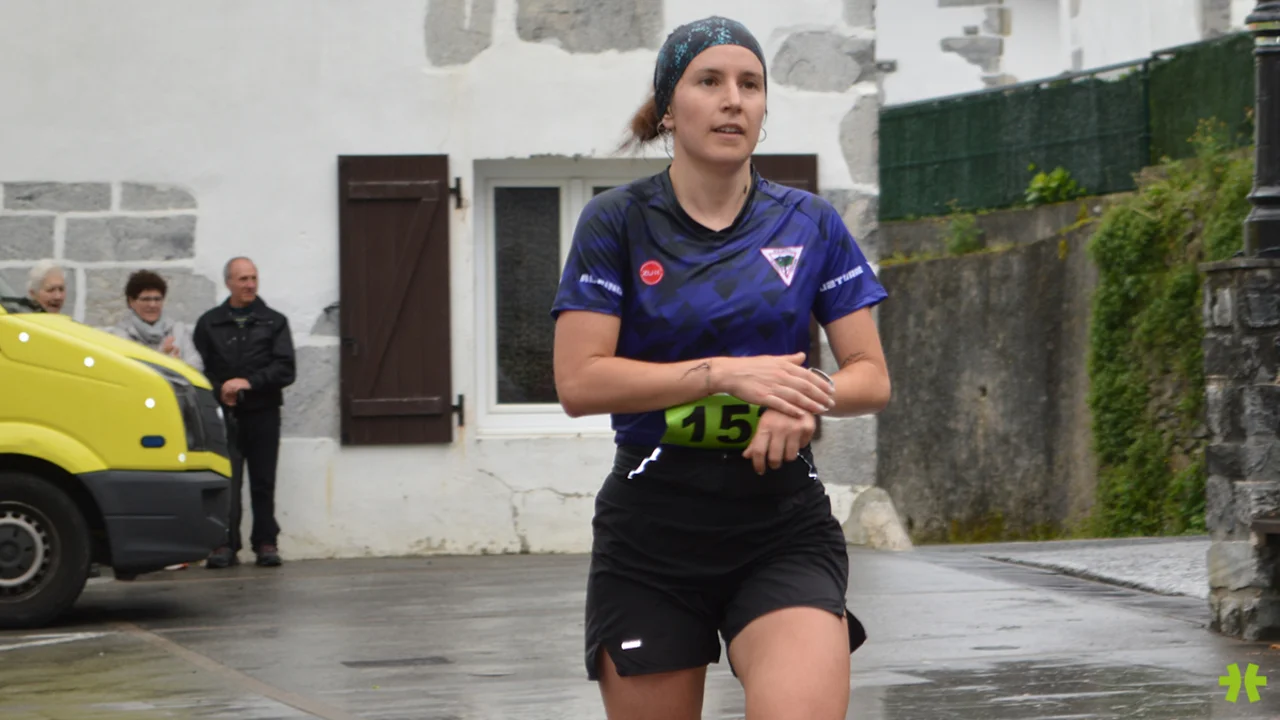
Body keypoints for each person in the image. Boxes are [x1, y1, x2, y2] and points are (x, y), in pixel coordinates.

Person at [550, 17, 892, 720]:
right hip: (651, 533)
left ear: (763, 109)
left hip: (781, 526)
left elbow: (870, 375)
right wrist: (722, 374)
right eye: (709, 81)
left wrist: (801, 396)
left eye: (750, 84)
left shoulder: (809, 222)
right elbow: (579, 381)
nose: (733, 99)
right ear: (668, 109)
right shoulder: (615, 222)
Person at [193, 256, 296, 569]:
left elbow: (285, 368)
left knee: (263, 481)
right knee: (227, 481)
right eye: (243, 279)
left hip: (263, 413)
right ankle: (224, 543)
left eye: (253, 278)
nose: (250, 285)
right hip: (224, 416)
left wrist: (249, 383)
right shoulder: (209, 323)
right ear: (228, 283)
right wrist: (220, 388)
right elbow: (197, 368)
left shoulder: (274, 322)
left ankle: (266, 542)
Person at [107, 270, 203, 372]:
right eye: (146, 299)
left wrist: (179, 365)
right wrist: (163, 360)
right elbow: (125, 370)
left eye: (157, 299)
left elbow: (197, 366)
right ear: (131, 302)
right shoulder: (119, 335)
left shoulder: (178, 330)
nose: (152, 305)